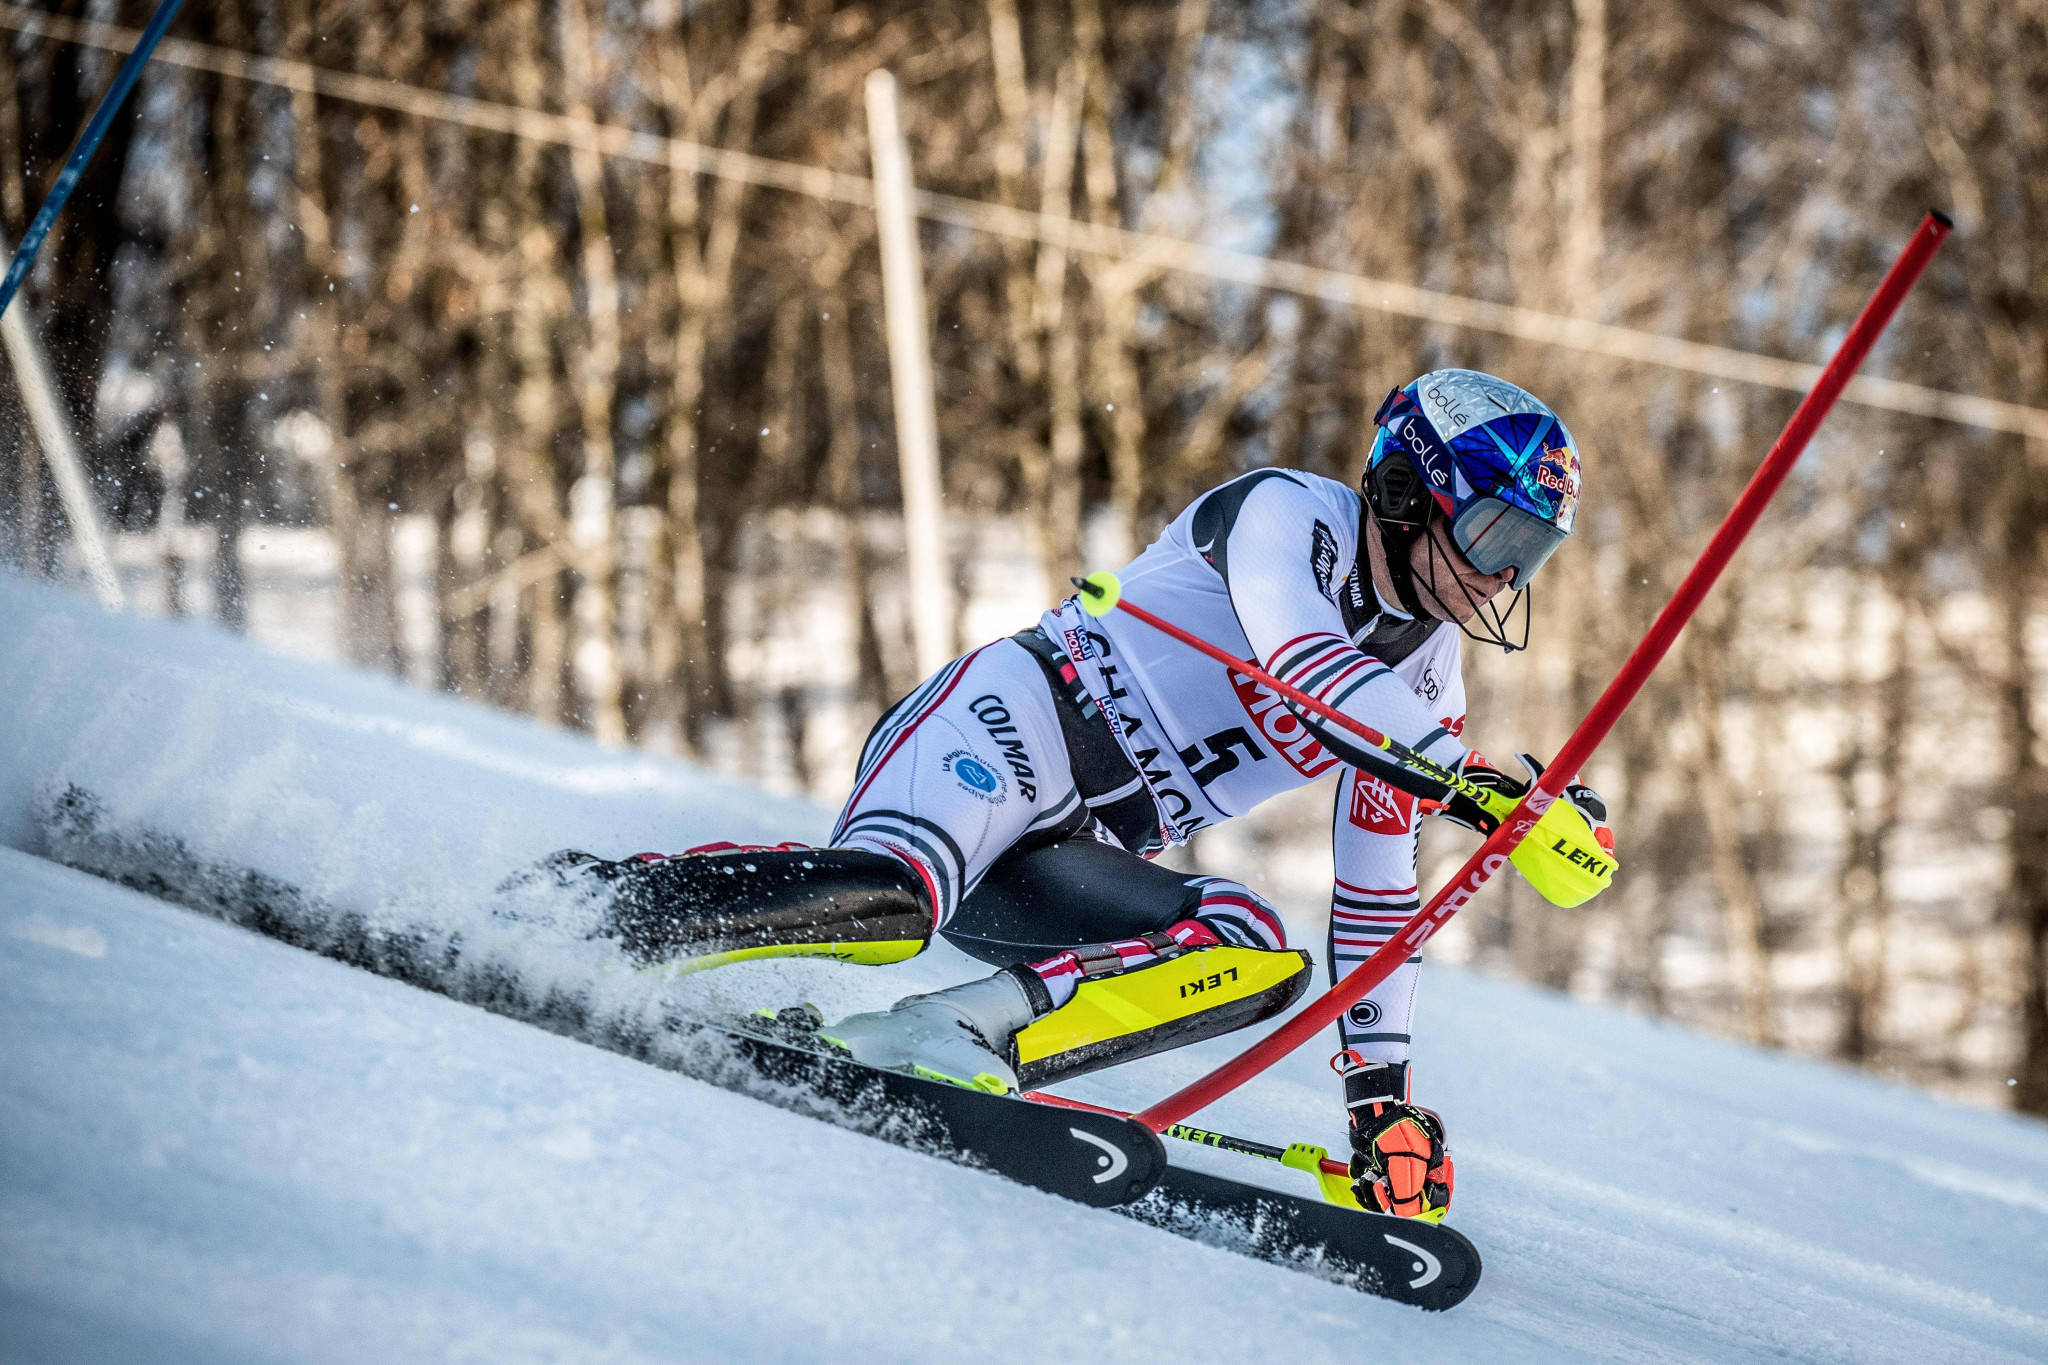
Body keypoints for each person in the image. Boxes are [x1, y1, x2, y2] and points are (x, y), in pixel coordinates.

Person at [532, 368, 1616, 1223]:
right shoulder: (1289, 514)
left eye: (1529, 554)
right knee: (888, 906)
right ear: (1406, 493)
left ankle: (941, 1037)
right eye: (1492, 535)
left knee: (1249, 946)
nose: (1501, 577)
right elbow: (1307, 666)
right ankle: (594, 905)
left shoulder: (1427, 685)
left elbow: (1379, 900)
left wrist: (1380, 1103)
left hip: (1076, 848)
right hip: (1009, 727)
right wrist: (1474, 784)